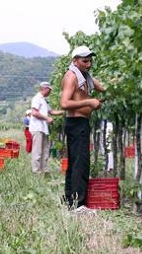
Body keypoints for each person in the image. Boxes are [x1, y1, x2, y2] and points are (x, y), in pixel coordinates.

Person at [59, 46, 105, 210]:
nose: (89, 64)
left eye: (90, 61)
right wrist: (89, 102)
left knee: (75, 163)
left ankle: (70, 200)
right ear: (75, 61)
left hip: (80, 124)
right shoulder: (72, 76)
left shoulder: (85, 77)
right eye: (85, 61)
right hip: (76, 124)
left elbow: (104, 88)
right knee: (81, 163)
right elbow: (64, 103)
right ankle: (79, 205)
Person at [29, 82, 63, 174]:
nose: (50, 92)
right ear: (44, 88)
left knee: (45, 150)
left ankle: (44, 170)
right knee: (38, 151)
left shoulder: (43, 100)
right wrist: (47, 118)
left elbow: (51, 111)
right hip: (37, 128)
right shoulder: (37, 98)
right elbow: (34, 113)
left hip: (43, 128)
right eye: (49, 90)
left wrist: (64, 111)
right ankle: (36, 172)